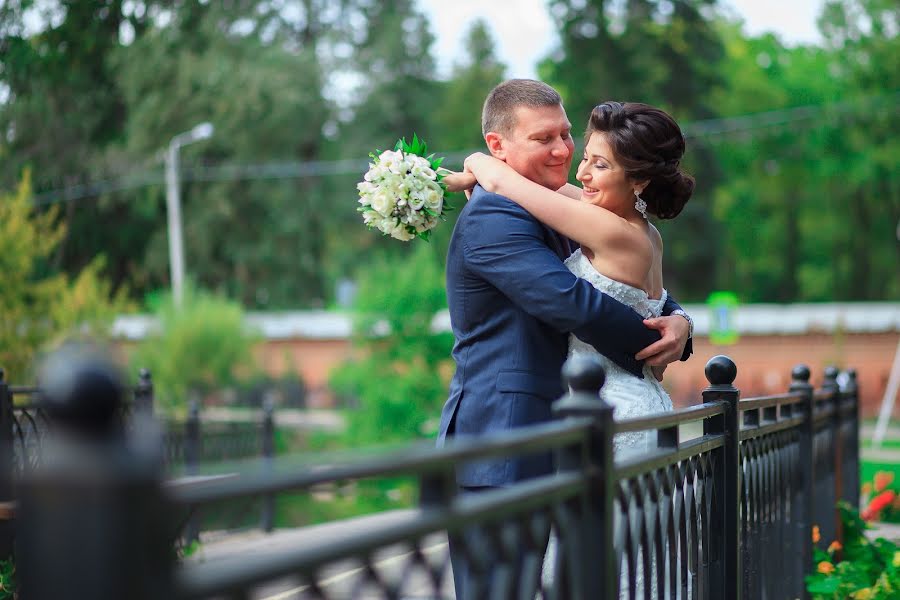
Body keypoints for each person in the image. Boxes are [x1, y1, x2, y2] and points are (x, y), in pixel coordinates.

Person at [436, 80, 693, 599]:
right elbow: (575, 305)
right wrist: (657, 341)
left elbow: (626, 277)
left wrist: (678, 321)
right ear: (499, 146)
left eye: (566, 134)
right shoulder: (494, 214)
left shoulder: (565, 204)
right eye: (543, 139)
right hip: (504, 440)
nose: (563, 151)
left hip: (578, 426)